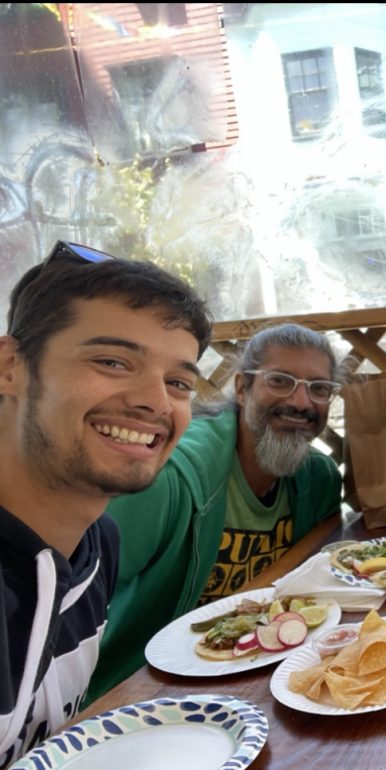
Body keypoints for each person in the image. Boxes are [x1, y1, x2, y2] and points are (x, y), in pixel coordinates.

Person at [0, 241, 212, 764]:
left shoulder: (96, 544)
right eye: (113, 361)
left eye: (179, 382)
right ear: (9, 367)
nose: (156, 402)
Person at [88, 323, 345, 699]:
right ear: (242, 388)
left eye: (319, 389)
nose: (302, 403)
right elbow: (73, 602)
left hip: (260, 673)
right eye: (280, 381)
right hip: (147, 690)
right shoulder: (166, 480)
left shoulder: (319, 481)